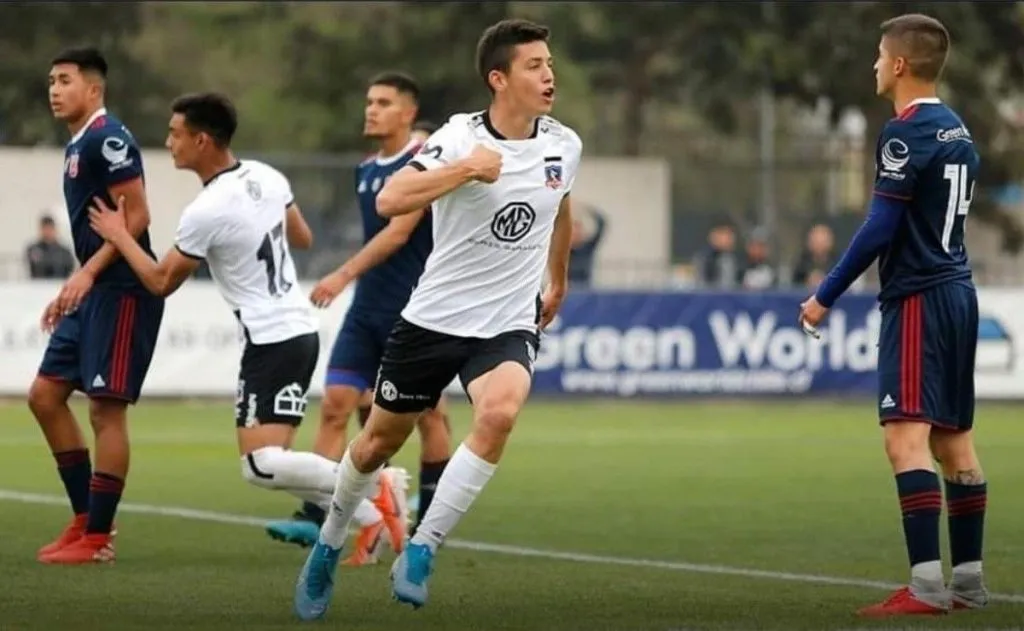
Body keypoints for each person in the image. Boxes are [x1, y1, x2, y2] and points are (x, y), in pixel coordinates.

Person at [293, 18, 582, 620]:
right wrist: (466, 171)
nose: (549, 74)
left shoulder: (564, 144)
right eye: (534, 65)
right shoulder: (456, 138)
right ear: (498, 79)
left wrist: (558, 278)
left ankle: (422, 548)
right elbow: (391, 199)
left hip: (505, 323)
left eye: (549, 62)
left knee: (500, 412)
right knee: (375, 443)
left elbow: (561, 211)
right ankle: (328, 543)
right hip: (431, 321)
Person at [88, 92, 401, 540]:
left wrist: (120, 235)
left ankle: (374, 485)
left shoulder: (206, 210)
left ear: (201, 141)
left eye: (175, 134)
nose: (168, 142)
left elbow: (160, 282)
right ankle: (371, 523)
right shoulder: (266, 176)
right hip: (298, 330)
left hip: (272, 339)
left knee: (260, 465)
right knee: (268, 461)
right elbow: (303, 236)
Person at [799, 14, 987, 617]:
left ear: (900, 65)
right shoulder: (958, 129)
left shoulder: (903, 133)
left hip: (919, 299)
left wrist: (824, 294)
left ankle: (928, 588)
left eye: (880, 56)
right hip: (959, 293)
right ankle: (971, 585)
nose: (875, 65)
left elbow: (881, 226)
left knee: (904, 439)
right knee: (955, 443)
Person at [265, 73, 451, 566]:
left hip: (412, 312)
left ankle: (431, 524)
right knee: (335, 408)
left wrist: (341, 274)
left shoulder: (423, 163)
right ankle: (315, 516)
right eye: (369, 101)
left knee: (430, 416)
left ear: (408, 114)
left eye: (384, 102)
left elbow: (397, 234)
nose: (371, 110)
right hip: (365, 311)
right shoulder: (366, 168)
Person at [30, 47, 165, 565]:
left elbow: (137, 216)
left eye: (64, 80)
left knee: (106, 411)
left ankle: (99, 537)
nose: (54, 89)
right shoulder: (78, 144)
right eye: (51, 80)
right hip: (94, 289)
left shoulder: (108, 138)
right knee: (45, 396)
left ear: (93, 89)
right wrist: (77, 280)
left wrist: (86, 274)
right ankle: (86, 516)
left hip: (123, 289)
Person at [25, 214, 76, 279]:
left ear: (54, 229)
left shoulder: (64, 251)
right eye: (45, 228)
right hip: (37, 286)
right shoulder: (33, 249)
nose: (47, 232)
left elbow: (69, 269)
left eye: (49, 228)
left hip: (60, 284)